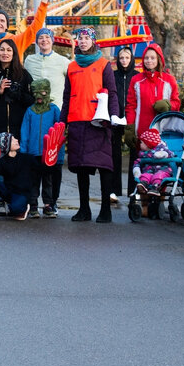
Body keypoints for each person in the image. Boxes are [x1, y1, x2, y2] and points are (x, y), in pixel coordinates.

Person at [61, 27, 120, 222]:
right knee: (81, 167)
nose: (83, 41)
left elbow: (112, 92)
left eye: (87, 38)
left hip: (98, 121)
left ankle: (105, 210)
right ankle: (84, 209)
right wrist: (62, 121)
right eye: (80, 38)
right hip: (77, 121)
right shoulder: (71, 67)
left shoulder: (104, 64)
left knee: (104, 166)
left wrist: (113, 116)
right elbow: (67, 97)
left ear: (93, 41)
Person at [123, 43, 180, 195]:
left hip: (162, 134)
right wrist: (129, 127)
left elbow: (176, 103)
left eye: (152, 58)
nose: (149, 61)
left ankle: (157, 197)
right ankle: (136, 198)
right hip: (142, 133)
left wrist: (167, 105)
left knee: (161, 168)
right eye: (146, 58)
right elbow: (131, 105)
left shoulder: (169, 80)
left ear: (159, 59)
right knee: (140, 166)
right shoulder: (136, 80)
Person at [19, 79, 63, 218]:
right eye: (36, 93)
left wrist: (58, 154)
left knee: (48, 179)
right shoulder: (30, 111)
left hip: (49, 153)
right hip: (33, 153)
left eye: (42, 93)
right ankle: (33, 205)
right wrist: (24, 152)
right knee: (34, 180)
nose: (39, 96)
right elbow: (25, 132)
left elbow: (60, 132)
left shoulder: (54, 110)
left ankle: (48, 204)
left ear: (47, 92)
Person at [0, 133, 32, 221]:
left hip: (22, 194)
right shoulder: (2, 161)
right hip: (9, 193)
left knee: (15, 210)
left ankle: (24, 207)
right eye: (13, 139)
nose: (17, 140)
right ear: (6, 145)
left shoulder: (27, 158)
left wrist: (49, 160)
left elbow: (42, 170)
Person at [111, 46, 139, 200]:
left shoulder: (137, 76)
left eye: (127, 58)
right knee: (115, 154)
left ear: (131, 59)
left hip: (131, 118)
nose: (124, 61)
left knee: (135, 154)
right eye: (121, 58)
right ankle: (114, 190)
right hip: (116, 119)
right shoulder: (113, 75)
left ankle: (133, 190)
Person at [22, 29, 69, 110]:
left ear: (52, 40)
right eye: (41, 38)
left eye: (47, 37)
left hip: (56, 108)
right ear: (37, 42)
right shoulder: (29, 60)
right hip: (35, 108)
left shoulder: (63, 61)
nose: (44, 40)